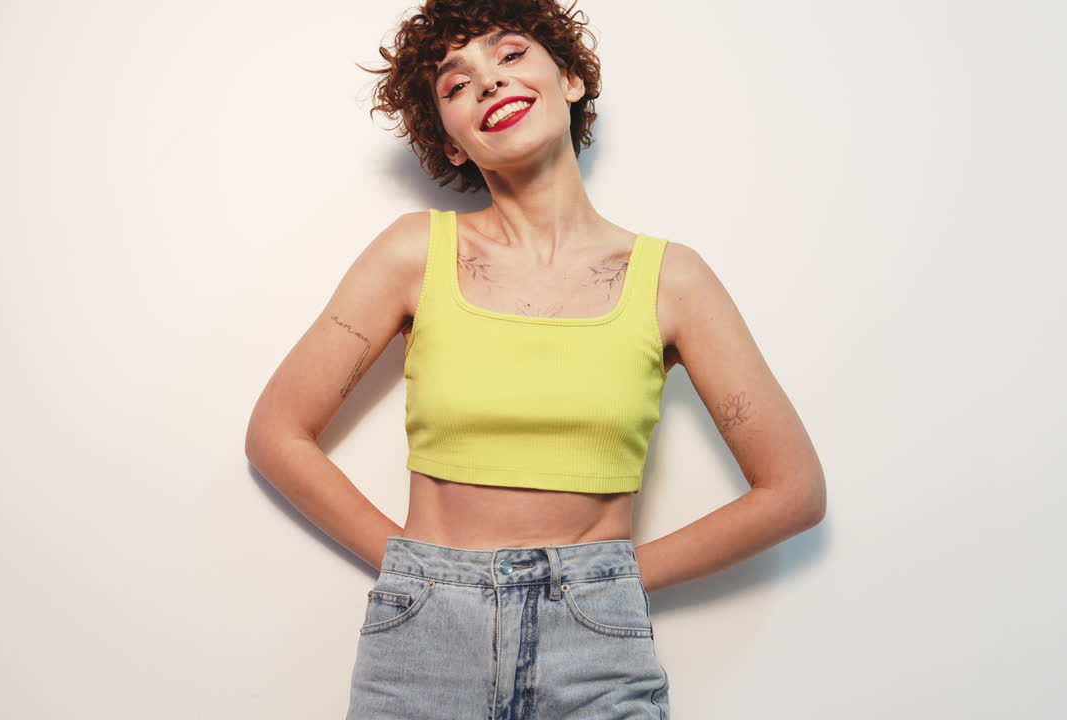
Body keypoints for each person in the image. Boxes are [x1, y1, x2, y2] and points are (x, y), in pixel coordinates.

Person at [244, 1, 827, 717]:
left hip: (596, 656)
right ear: (451, 144)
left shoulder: (674, 279)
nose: (488, 82)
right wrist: (419, 573)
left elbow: (793, 491)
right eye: (456, 85)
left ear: (572, 79)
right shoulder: (411, 254)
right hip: (426, 643)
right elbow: (276, 432)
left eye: (510, 54)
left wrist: (605, 582)